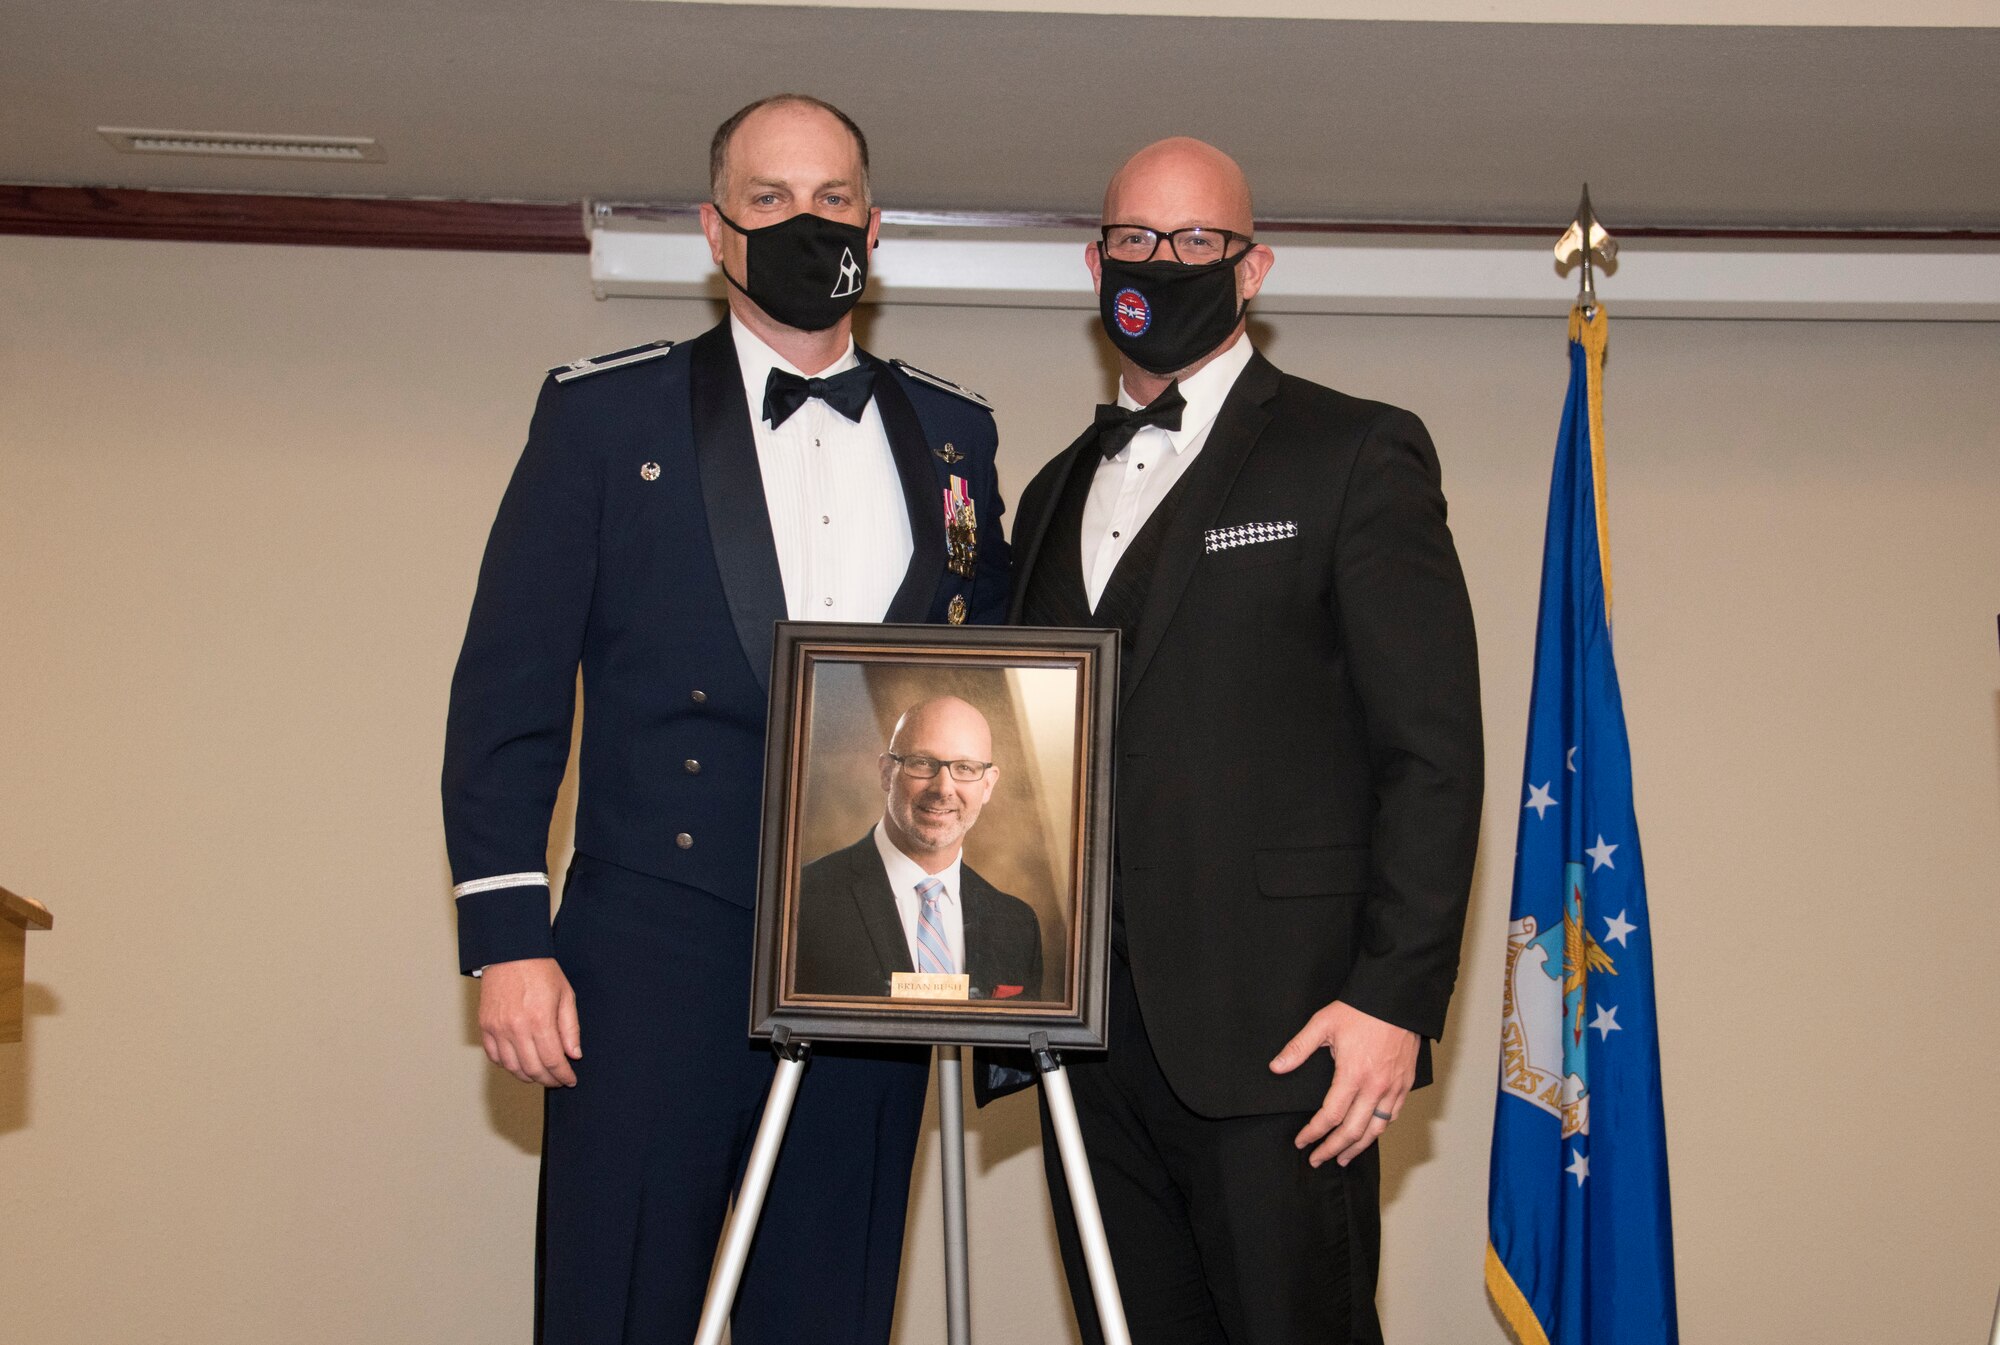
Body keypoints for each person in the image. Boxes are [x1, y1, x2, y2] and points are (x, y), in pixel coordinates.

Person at [441, 94, 1010, 1345]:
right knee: (622, 1300)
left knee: (828, 1304)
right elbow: (509, 686)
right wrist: (504, 935)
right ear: (714, 229)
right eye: (768, 200)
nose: (805, 224)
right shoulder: (604, 414)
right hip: (650, 940)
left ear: (875, 224)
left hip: (870, 956)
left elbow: (995, 697)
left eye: (832, 200)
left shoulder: (956, 435)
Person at [1009, 138, 1483, 1344]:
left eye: (1195, 243)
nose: (1160, 265)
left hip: (1287, 1042)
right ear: (1094, 256)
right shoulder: (1050, 491)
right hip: (1083, 1046)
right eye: (1134, 240)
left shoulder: (1354, 453)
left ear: (1252, 266)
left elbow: (1430, 752)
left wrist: (1393, 1000)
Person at [793, 695, 1043, 1001]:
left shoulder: (1017, 926)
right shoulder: (802, 899)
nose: (943, 788)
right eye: (923, 763)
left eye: (965, 768)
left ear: (988, 784)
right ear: (887, 772)